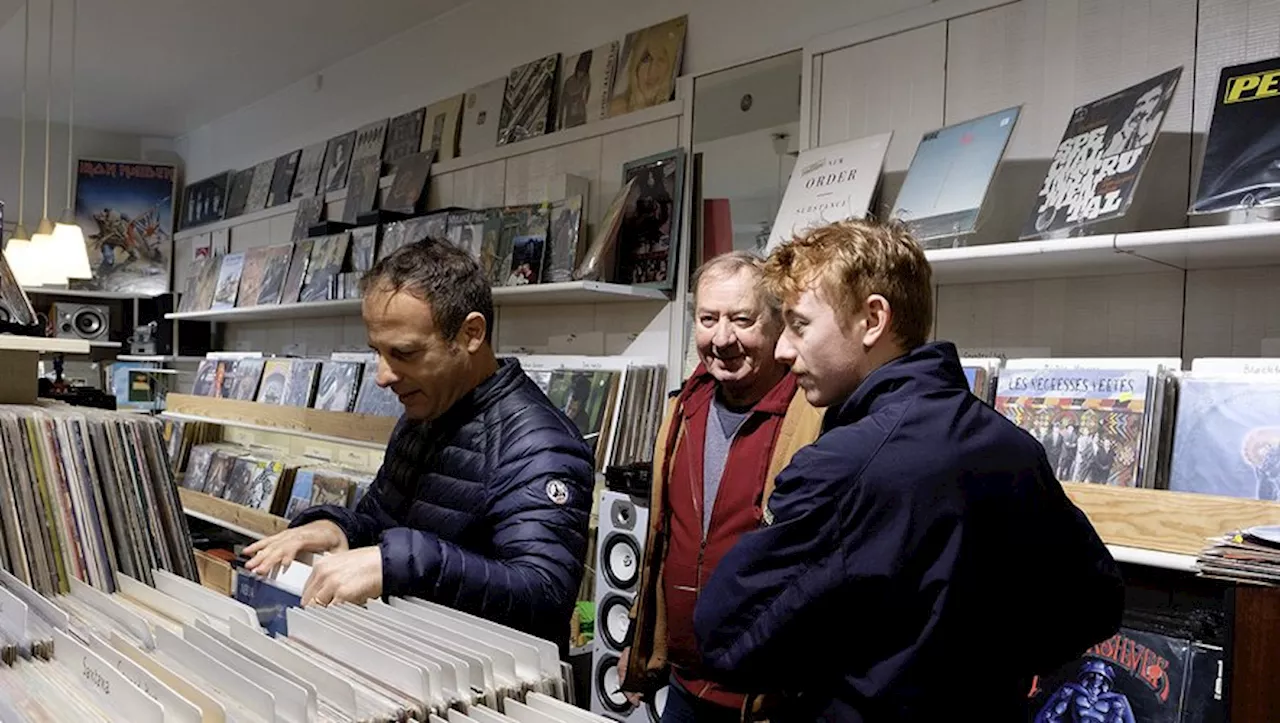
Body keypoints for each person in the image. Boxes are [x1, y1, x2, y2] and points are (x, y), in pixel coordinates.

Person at [693, 219, 1124, 720]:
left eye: (800, 324)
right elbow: (1094, 603)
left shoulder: (842, 465)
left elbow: (725, 638)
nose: (785, 350)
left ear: (872, 319)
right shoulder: (1011, 445)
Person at [243, 238, 596, 650]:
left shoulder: (541, 444)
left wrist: (399, 563)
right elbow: (382, 524)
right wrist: (335, 528)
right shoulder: (425, 413)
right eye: (377, 351)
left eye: (404, 353)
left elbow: (542, 595)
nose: (382, 376)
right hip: (409, 660)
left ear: (471, 333)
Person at [618, 251, 824, 722]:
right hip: (683, 685)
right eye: (708, 319)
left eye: (742, 319)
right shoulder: (681, 411)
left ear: (777, 325)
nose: (722, 338)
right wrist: (640, 639)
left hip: (767, 699)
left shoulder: (811, 419)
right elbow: (660, 543)